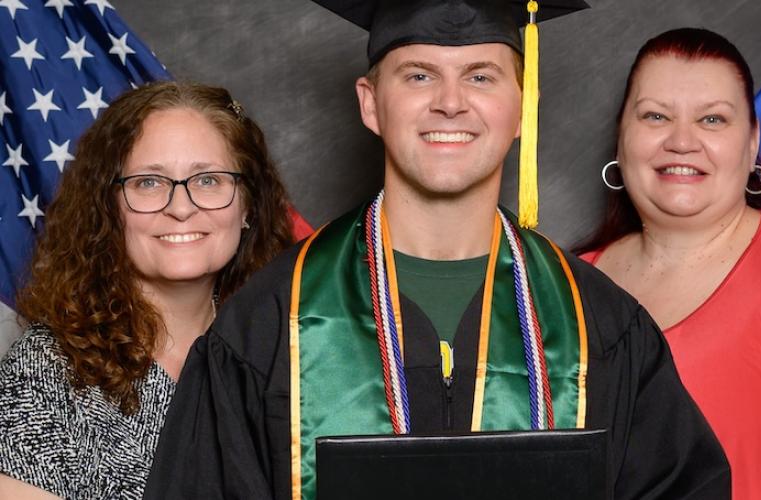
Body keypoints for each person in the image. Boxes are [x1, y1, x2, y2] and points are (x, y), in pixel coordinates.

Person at [145, 3, 730, 499]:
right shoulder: (268, 326)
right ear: (371, 103)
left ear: (522, 103)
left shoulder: (601, 328)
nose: (450, 103)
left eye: (480, 76)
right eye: (419, 76)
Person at [578, 28, 761, 500]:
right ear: (621, 137)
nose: (682, 141)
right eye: (655, 116)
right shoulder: (562, 284)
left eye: (713, 120)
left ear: (752, 141)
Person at [0, 81, 294, 499]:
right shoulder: (45, 371)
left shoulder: (291, 351)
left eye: (208, 180)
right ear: (108, 207)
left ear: (247, 205)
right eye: (148, 183)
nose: (180, 207)